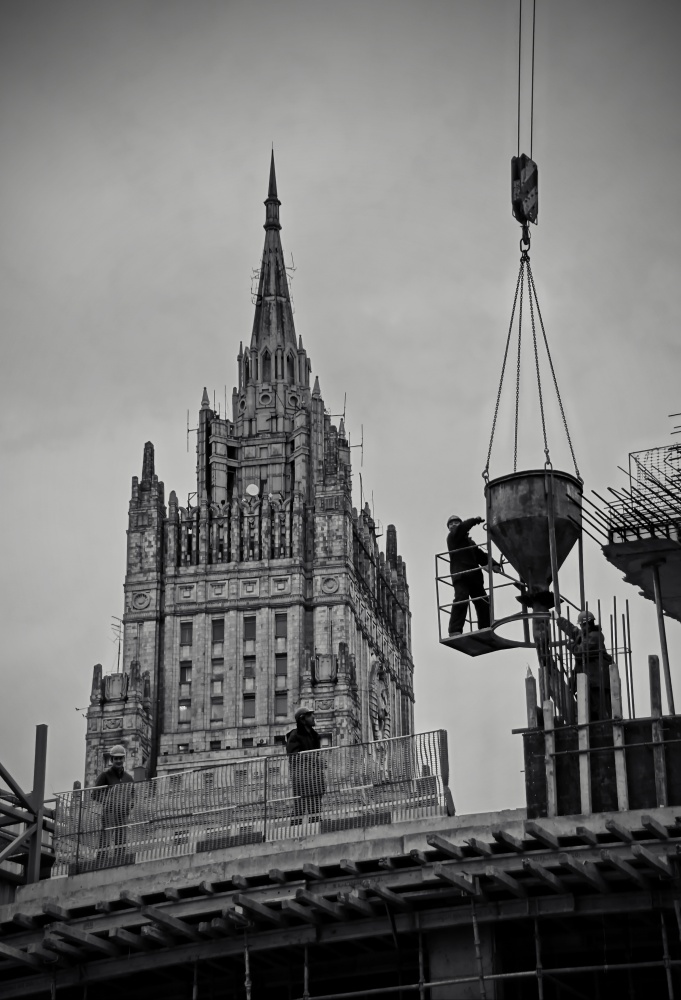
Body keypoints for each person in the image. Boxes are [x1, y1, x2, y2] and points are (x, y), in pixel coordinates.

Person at [447, 515, 501, 636]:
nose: (454, 525)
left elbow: (481, 555)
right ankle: (455, 630)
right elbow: (461, 528)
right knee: (461, 598)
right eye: (451, 524)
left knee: (483, 602)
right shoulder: (452, 538)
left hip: (474, 577)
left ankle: (485, 628)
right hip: (461, 576)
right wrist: (474, 521)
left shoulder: (470, 543)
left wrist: (494, 564)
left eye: (456, 522)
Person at [556, 611, 612, 720]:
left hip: (597, 680)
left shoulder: (595, 636)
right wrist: (560, 621)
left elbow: (580, 652)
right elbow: (573, 631)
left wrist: (570, 644)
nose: (580, 627)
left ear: (586, 624)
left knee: (599, 709)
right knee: (590, 709)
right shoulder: (586, 635)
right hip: (591, 680)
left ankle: (602, 726)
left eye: (581, 625)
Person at [93, 745, 135, 862]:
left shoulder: (129, 778)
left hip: (122, 814)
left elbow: (132, 796)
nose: (118, 761)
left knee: (121, 838)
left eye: (120, 758)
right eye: (116, 759)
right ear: (111, 760)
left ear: (124, 759)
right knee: (106, 838)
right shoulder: (105, 776)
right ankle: (101, 861)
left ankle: (120, 860)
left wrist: (129, 804)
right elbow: (94, 794)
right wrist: (109, 802)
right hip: (109, 813)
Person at [286, 707, 325, 821]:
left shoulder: (315, 736)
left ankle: (317, 834)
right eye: (310, 715)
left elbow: (317, 757)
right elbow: (293, 756)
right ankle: (294, 835)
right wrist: (313, 758)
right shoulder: (294, 736)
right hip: (301, 778)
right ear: (302, 720)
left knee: (315, 809)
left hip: (315, 777)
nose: (313, 717)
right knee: (300, 809)